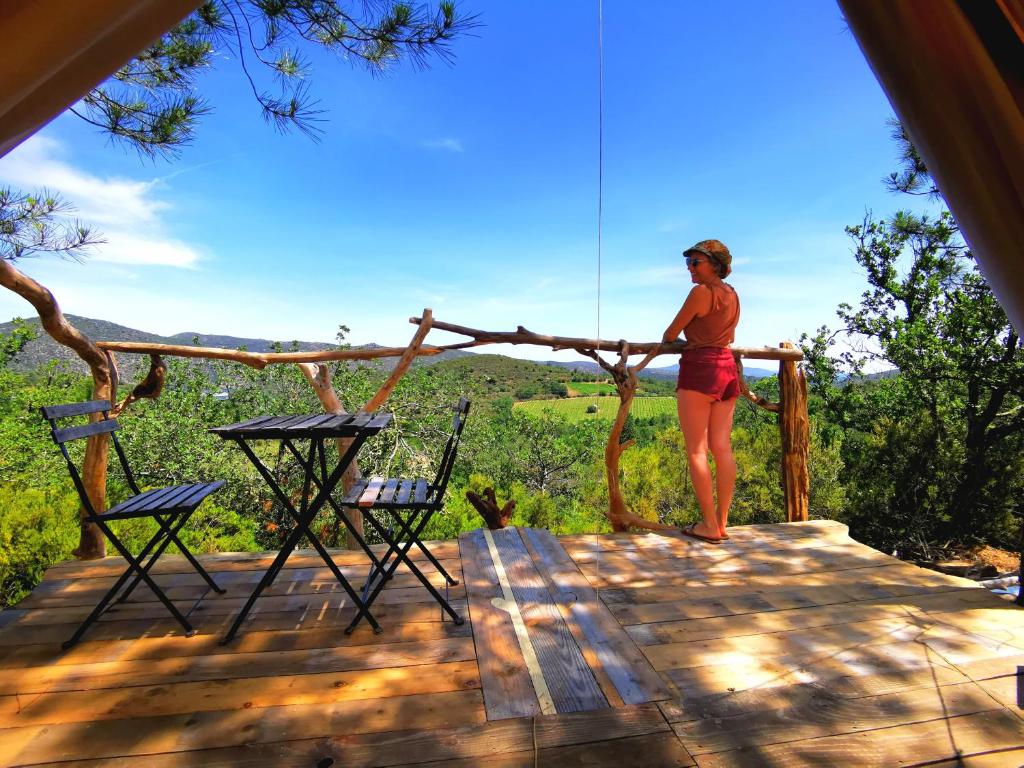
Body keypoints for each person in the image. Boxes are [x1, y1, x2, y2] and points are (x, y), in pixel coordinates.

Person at [661, 239, 741, 544]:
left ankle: (708, 524)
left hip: (700, 368)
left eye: (696, 263)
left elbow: (670, 333)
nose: (690, 269)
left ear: (715, 265)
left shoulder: (701, 292)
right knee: (721, 447)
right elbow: (729, 334)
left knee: (696, 448)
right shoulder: (732, 294)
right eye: (688, 264)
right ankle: (721, 523)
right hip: (726, 368)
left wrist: (681, 337)